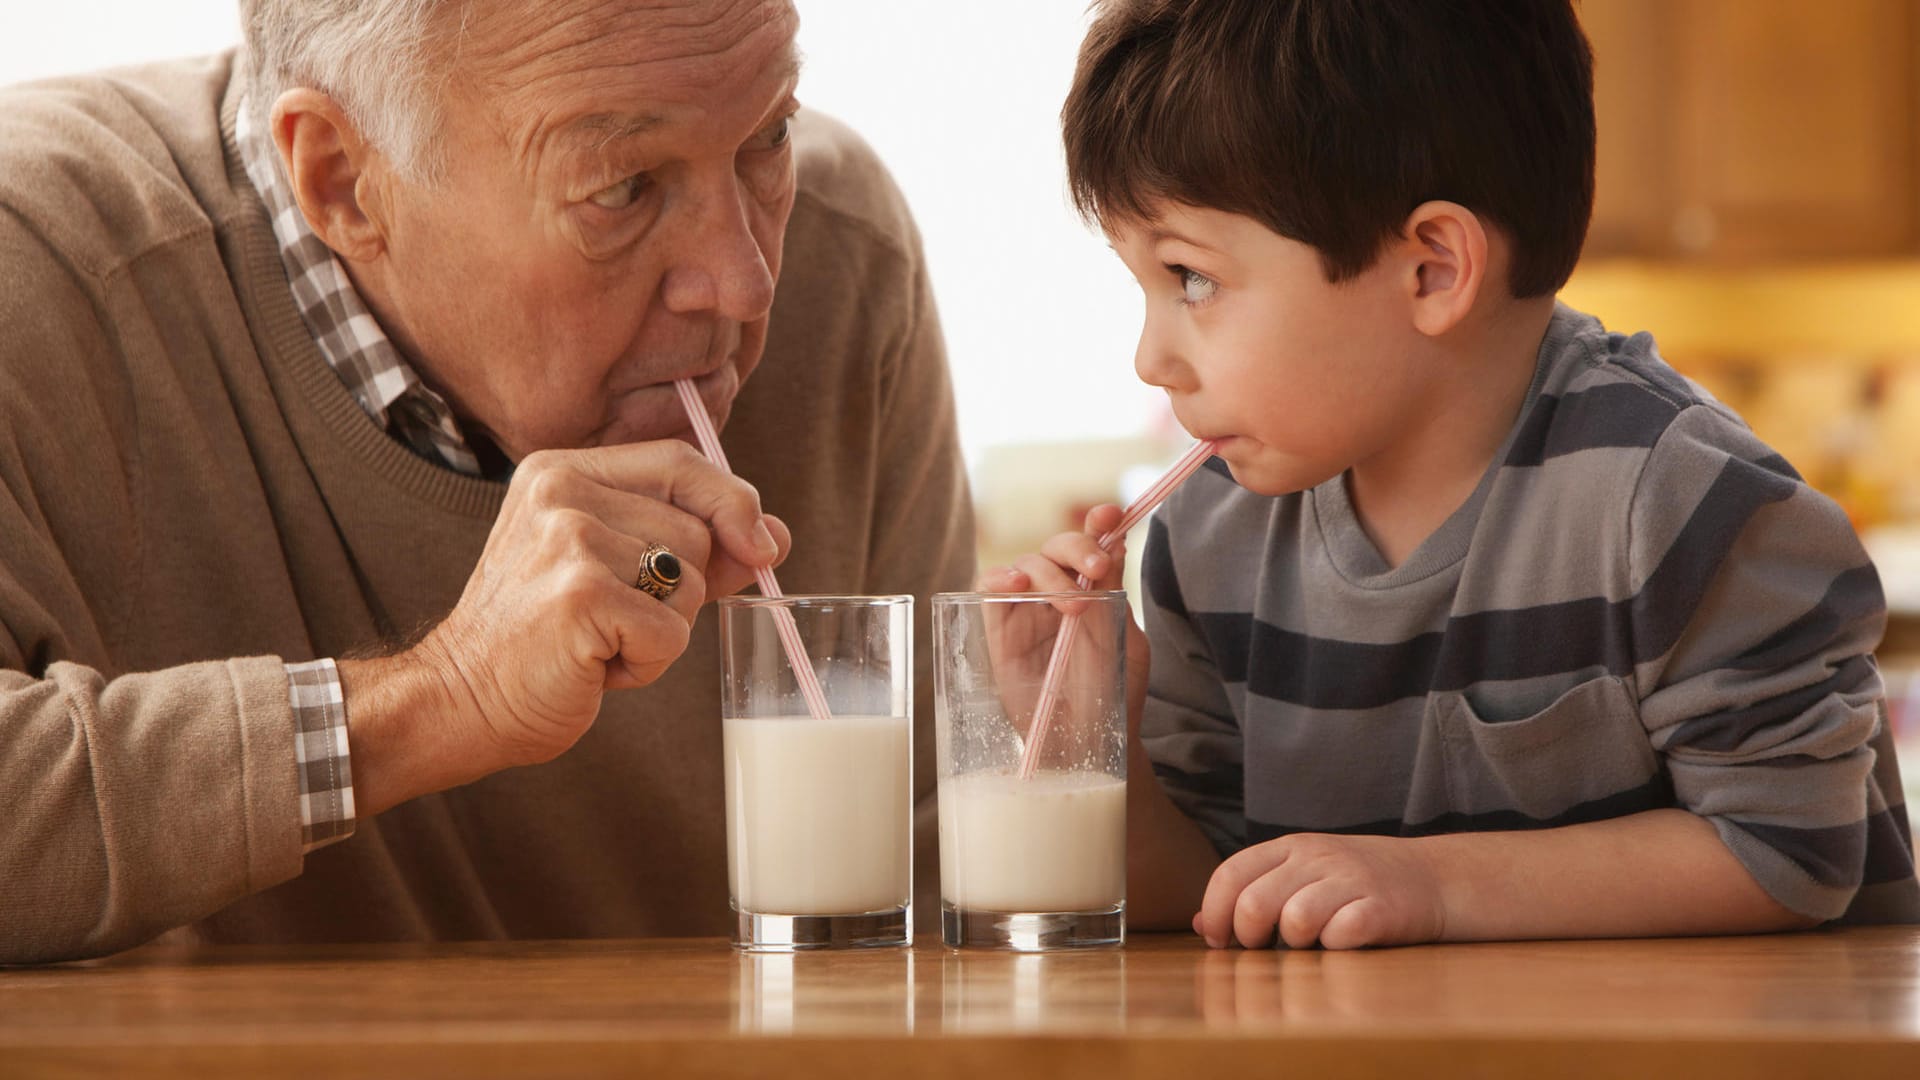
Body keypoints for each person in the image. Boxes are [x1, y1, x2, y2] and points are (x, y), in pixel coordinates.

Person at [0, 0, 973, 964]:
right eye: (626, 186)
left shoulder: (845, 256)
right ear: (344, 183)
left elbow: (941, 876)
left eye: (768, 136)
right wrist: (440, 698)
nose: (743, 280)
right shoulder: (34, 273)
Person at [993, 0, 1918, 949]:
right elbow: (1211, 888)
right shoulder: (1213, 530)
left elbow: (1790, 851)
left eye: (1192, 279)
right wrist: (1081, 743)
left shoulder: (1681, 504)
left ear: (1433, 269)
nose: (1151, 357)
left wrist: (1429, 885)